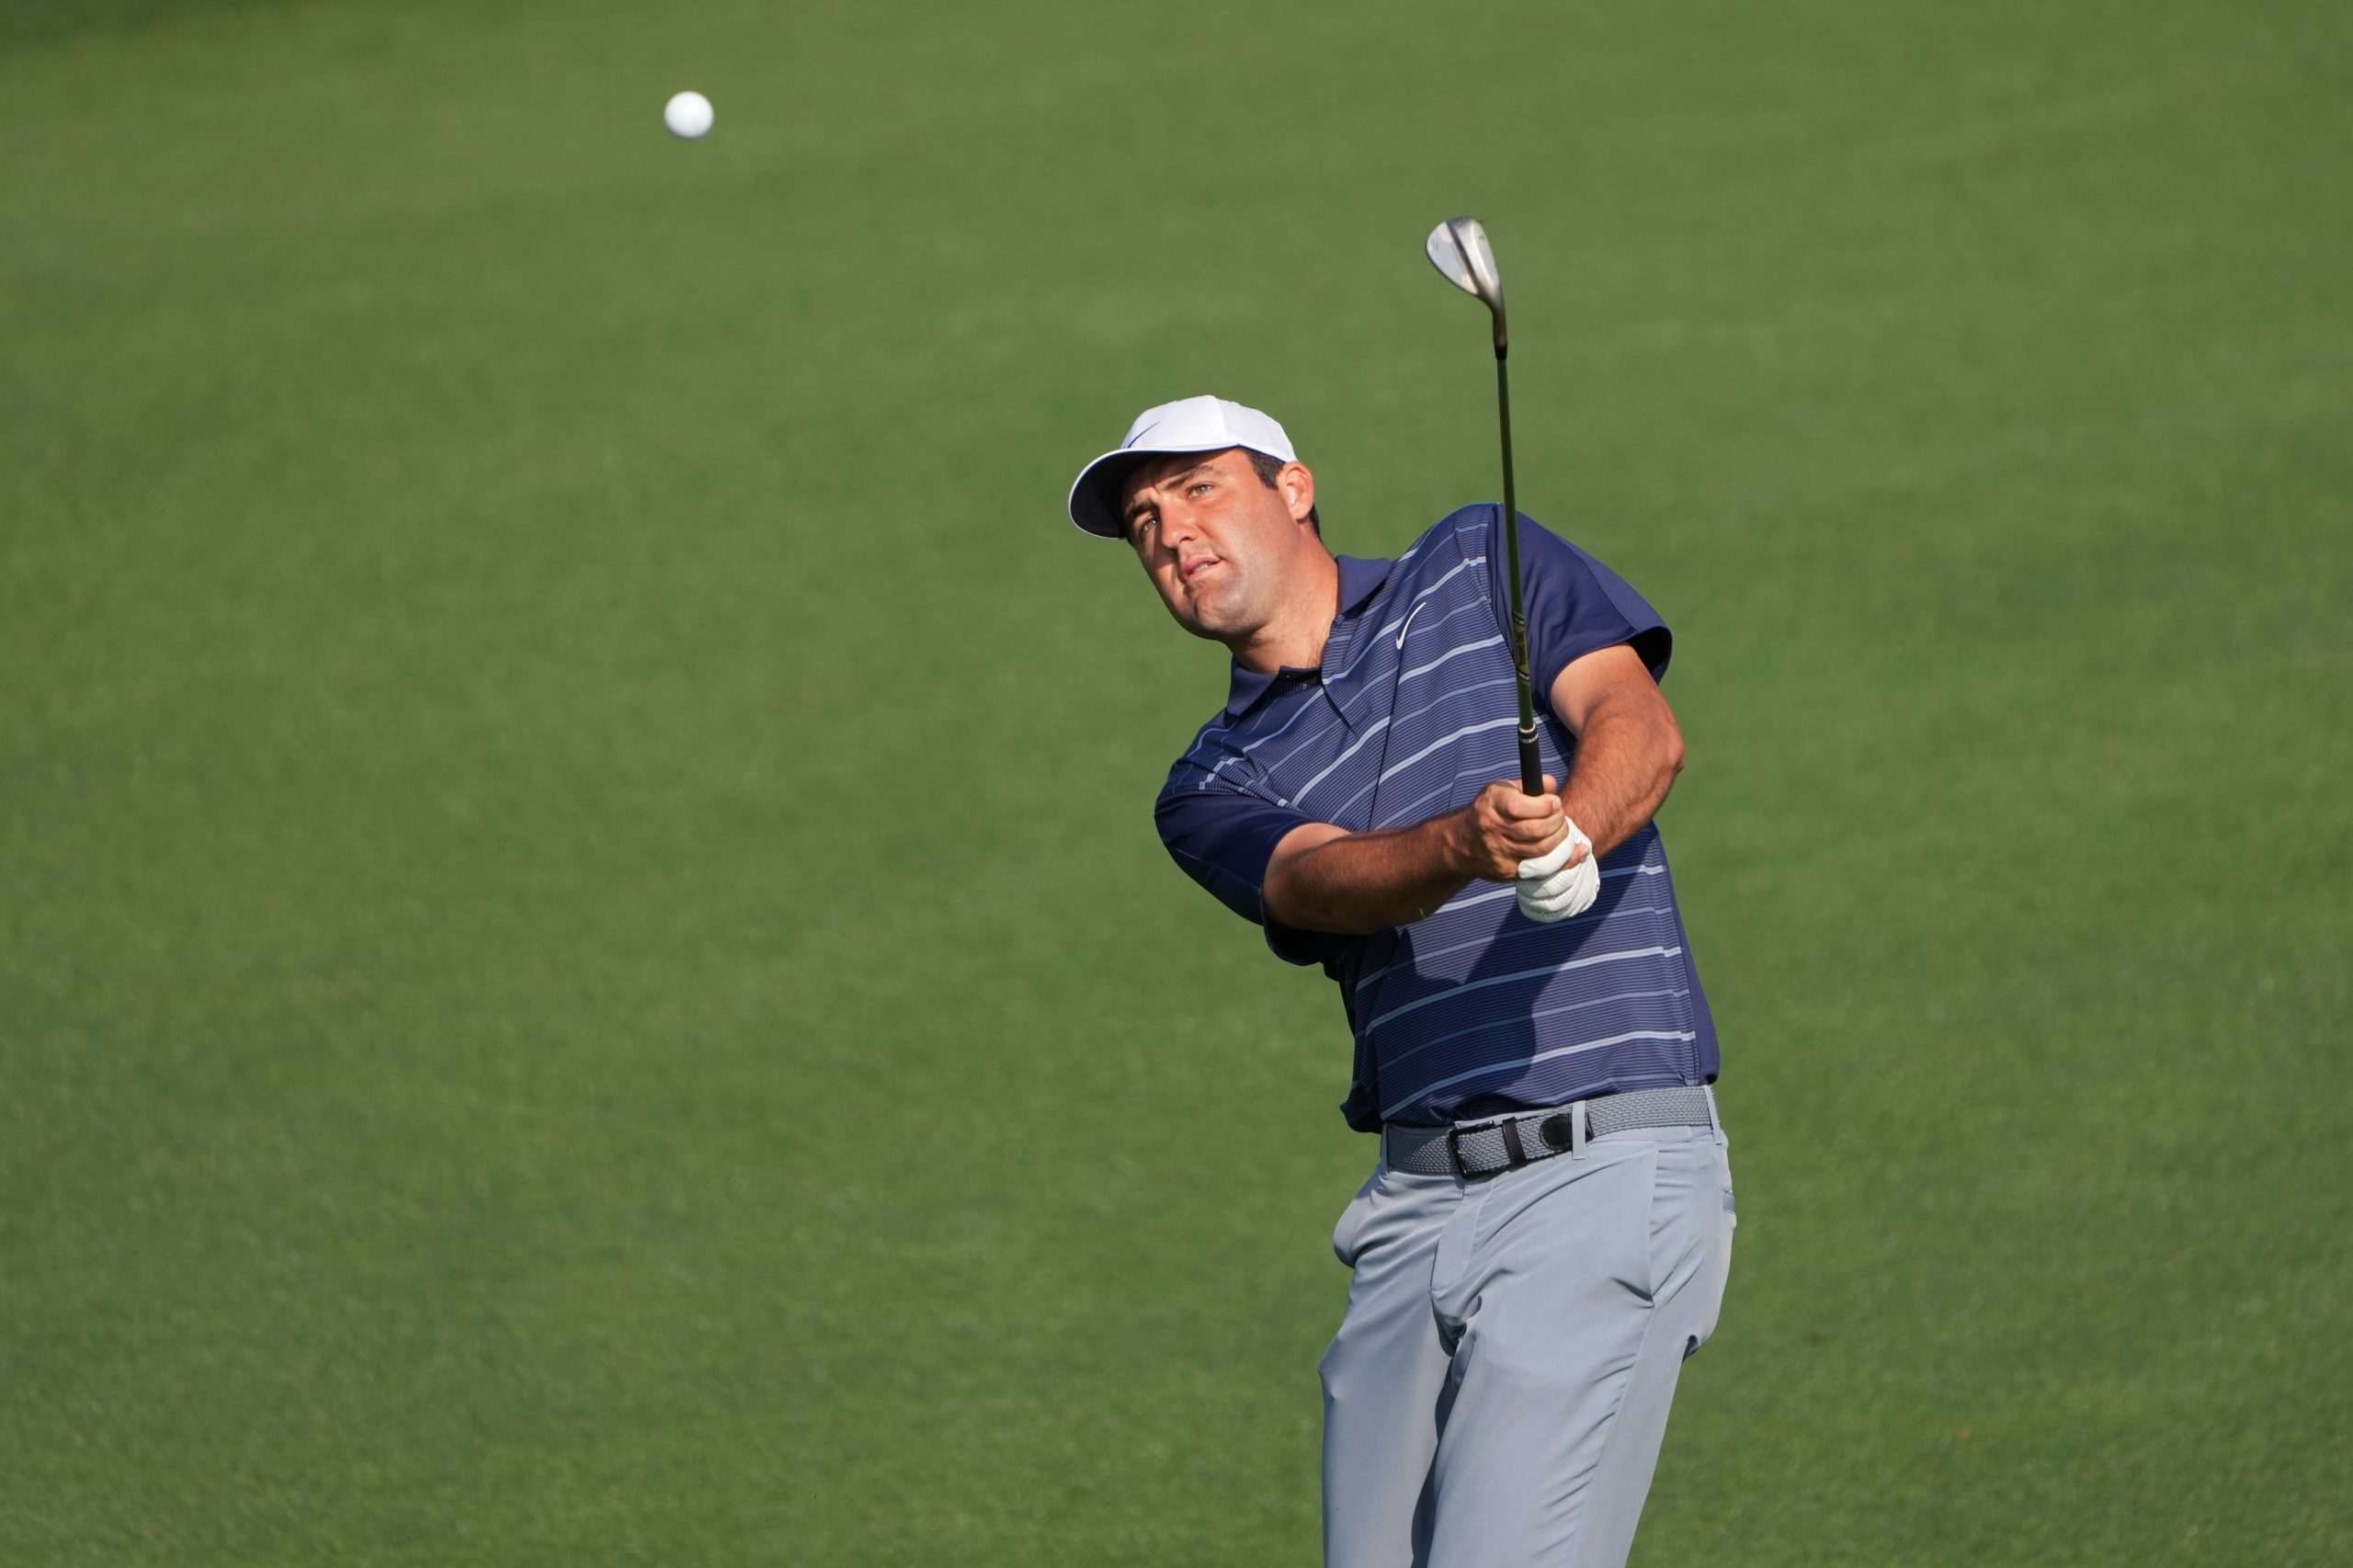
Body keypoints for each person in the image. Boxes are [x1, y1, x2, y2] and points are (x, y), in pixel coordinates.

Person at [1067, 395, 1736, 1568]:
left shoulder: (1480, 558)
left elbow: (1637, 722)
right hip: (1413, 1212)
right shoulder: (1209, 780)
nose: (1168, 532)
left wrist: (1568, 835)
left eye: (1199, 487)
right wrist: (1464, 846)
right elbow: (1319, 883)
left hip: (1598, 1169)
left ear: (1293, 487)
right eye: (1141, 520)